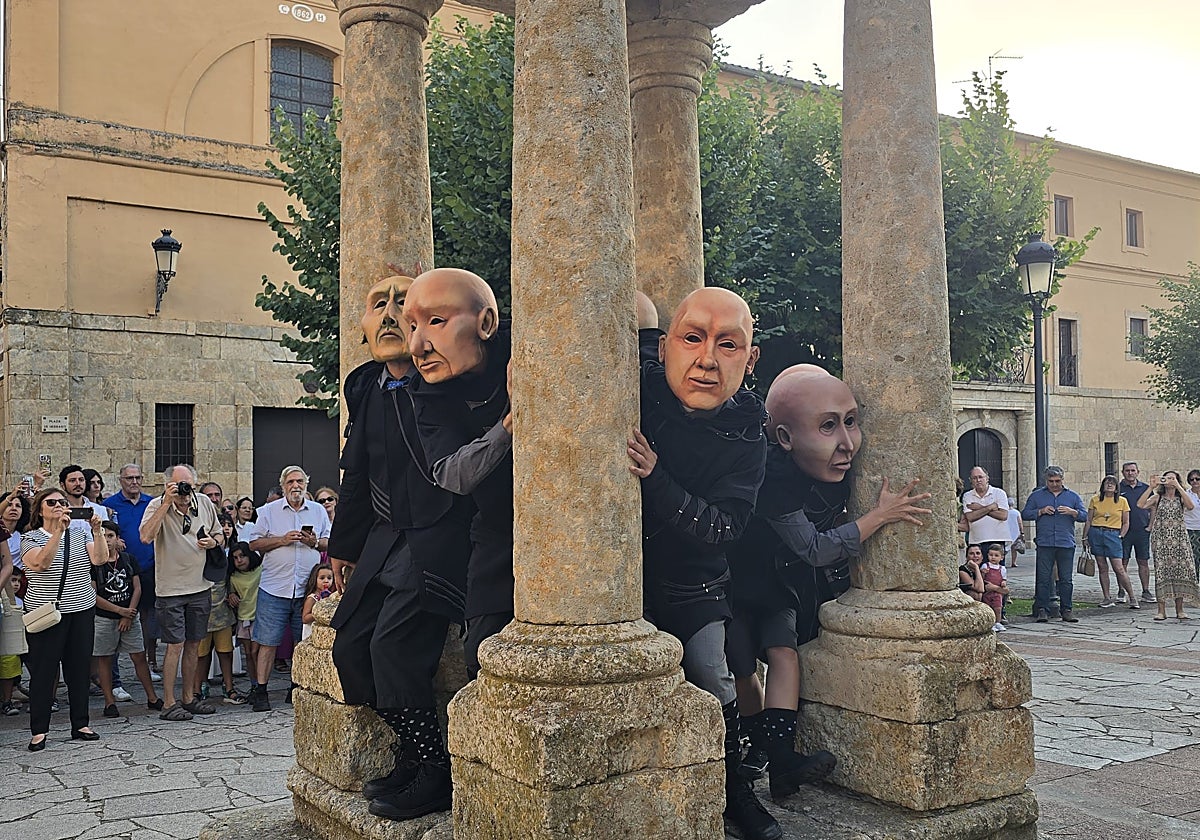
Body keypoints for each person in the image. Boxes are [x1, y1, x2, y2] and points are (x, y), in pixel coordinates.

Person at [725, 362, 929, 800]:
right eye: (828, 427)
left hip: (779, 584)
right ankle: (755, 749)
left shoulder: (829, 468)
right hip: (735, 583)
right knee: (743, 669)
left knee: (783, 652)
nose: (846, 443)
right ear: (784, 439)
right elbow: (814, 548)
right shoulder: (772, 479)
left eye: (851, 422)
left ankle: (781, 763)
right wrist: (879, 515)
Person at [630, 287, 780, 840]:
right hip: (614, 574)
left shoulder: (748, 432)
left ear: (750, 357)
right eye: (692, 339)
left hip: (694, 581)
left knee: (713, 674)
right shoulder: (635, 387)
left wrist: (655, 476)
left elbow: (722, 529)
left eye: (728, 344)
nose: (707, 360)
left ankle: (736, 792)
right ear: (667, 345)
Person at [331, 270, 475, 822]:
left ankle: (433, 770)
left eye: (404, 304)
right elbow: (356, 472)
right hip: (385, 537)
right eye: (379, 304)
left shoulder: (448, 381)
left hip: (439, 536)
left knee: (394, 646)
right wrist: (343, 549)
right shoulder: (365, 385)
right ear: (365, 325)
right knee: (350, 645)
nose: (391, 314)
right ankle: (414, 755)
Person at [405, 268, 512, 681]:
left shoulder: (529, 347)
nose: (418, 345)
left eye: (436, 321)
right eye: (412, 325)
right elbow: (452, 474)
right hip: (493, 534)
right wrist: (507, 427)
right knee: (480, 655)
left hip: (562, 526)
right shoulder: (427, 391)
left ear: (485, 323)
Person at [22, 487, 109, 750]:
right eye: (52, 502)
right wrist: (58, 532)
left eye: (62, 501)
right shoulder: (31, 538)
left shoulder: (80, 532)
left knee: (79, 669)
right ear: (40, 509)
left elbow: (100, 558)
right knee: (44, 673)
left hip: (81, 609)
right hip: (47, 613)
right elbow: (41, 564)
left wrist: (97, 530)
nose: (59, 505)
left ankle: (80, 723)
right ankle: (39, 730)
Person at [139, 464, 225, 721]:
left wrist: (213, 542)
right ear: (168, 485)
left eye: (189, 485)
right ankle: (168, 702)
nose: (186, 491)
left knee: (193, 644)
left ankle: (188, 698)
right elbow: (145, 536)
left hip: (200, 585)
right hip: (171, 589)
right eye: (179, 485)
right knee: (174, 645)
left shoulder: (204, 504)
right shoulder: (157, 505)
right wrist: (166, 503)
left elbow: (220, 534)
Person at [245, 465, 330, 712]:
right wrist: (281, 540)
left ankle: (297, 688)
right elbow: (253, 543)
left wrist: (313, 542)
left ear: (306, 484)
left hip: (306, 589)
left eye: (300, 481)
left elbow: (328, 540)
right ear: (283, 486)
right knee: (268, 642)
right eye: (291, 482)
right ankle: (261, 690)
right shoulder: (269, 511)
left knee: (302, 642)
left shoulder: (317, 511)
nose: (296, 486)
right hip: (275, 587)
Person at [92, 520, 162, 717]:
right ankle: (109, 702)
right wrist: (119, 611)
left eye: (110, 536)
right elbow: (93, 594)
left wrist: (129, 612)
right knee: (105, 659)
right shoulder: (94, 564)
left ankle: (152, 697)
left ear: (117, 538)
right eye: (102, 536)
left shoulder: (128, 559)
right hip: (105, 618)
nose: (107, 540)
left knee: (139, 656)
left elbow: (137, 587)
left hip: (130, 615)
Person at [104, 464, 160, 677]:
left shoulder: (152, 503)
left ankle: (149, 661)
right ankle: (113, 672)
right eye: (129, 478)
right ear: (121, 480)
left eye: (137, 477)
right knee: (118, 616)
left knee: (148, 616)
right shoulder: (110, 505)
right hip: (120, 568)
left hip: (149, 566)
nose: (134, 482)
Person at [1022, 466, 1087, 623]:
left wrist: (1073, 512)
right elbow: (1025, 513)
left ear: (1062, 480)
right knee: (1043, 577)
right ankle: (1043, 609)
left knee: (1066, 579)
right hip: (1045, 542)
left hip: (1065, 542)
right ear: (1046, 481)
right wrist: (1040, 511)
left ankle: (1067, 609)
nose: (1054, 484)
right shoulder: (1037, 496)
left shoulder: (1072, 496)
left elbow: (1085, 516)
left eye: (1057, 481)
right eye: (1051, 481)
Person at [1138, 471, 1199, 621]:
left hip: (1179, 538)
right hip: (1162, 539)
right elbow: (1140, 505)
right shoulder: (1158, 497)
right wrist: (1151, 487)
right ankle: (1161, 610)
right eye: (1167, 478)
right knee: (1162, 573)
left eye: (1173, 478)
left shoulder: (1181, 498)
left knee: (1180, 571)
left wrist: (1178, 486)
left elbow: (1191, 506)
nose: (1169, 481)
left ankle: (1180, 609)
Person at [1083, 476, 1135, 609]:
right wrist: (1085, 537)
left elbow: (1126, 522)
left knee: (1119, 567)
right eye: (1107, 483)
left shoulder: (1122, 501)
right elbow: (1089, 520)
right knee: (1102, 566)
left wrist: (1121, 535)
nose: (1110, 485)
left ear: (1117, 487)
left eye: (1113, 483)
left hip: (1113, 534)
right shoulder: (1095, 499)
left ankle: (1132, 597)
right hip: (1097, 532)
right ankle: (1106, 597)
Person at [227, 542, 263, 695]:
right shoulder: (233, 577)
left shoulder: (261, 570)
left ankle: (261, 682)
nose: (239, 560)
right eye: (235, 558)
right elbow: (231, 594)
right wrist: (231, 596)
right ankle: (254, 682)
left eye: (242, 556)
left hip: (259, 617)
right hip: (244, 618)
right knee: (248, 653)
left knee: (257, 652)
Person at [1118, 462, 1154, 605]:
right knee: (1122, 562)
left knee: (1143, 561)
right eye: (1127, 471)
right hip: (1124, 531)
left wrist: (1150, 526)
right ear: (1123, 472)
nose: (1130, 473)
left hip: (1142, 530)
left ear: (1138, 472)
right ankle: (1122, 591)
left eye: (1133, 470)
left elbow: (1153, 508)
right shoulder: (1118, 488)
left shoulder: (1146, 488)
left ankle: (1145, 590)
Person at [961, 467, 1010, 556]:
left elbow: (1003, 516)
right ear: (970, 480)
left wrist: (979, 508)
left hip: (997, 538)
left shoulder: (999, 493)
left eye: (980, 477)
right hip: (976, 540)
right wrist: (990, 507)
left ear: (987, 478)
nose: (978, 480)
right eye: (974, 478)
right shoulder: (967, 496)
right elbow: (970, 517)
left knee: (995, 568)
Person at [981, 543, 1009, 632]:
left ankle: (998, 622)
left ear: (1001, 557)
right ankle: (990, 623)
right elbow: (982, 579)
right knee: (988, 607)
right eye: (991, 555)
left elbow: (1004, 579)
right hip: (987, 592)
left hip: (997, 593)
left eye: (996, 555)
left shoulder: (1002, 569)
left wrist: (1003, 583)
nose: (993, 557)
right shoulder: (986, 566)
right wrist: (983, 573)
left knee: (998, 607)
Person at [301, 562, 334, 639]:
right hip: (311, 633)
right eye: (322, 578)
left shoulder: (330, 597)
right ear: (314, 579)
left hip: (322, 634)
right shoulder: (312, 598)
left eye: (329, 578)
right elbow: (305, 618)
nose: (326, 581)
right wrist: (319, 613)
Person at [1185, 470, 1200, 580]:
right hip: (1191, 529)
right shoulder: (1186, 494)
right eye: (1192, 479)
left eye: (1197, 479)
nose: (1195, 481)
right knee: (1193, 558)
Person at [1006, 496, 1022, 567]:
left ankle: (1001, 560)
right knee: (1014, 549)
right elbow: (1020, 522)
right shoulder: (1016, 512)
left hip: (1006, 531)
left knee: (1005, 548)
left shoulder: (1005, 512)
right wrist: (1022, 531)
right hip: (1015, 531)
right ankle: (1013, 562)